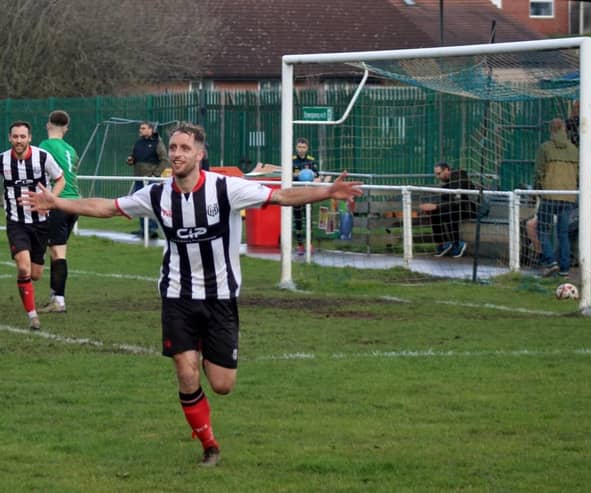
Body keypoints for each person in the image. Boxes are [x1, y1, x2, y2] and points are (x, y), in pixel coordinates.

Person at [20, 122, 362, 467]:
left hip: (221, 297)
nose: (177, 154)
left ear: (200, 154)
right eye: (173, 147)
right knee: (186, 372)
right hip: (177, 295)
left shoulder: (227, 189)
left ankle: (202, 365)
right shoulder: (156, 195)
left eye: (185, 148)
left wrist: (326, 192)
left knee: (222, 384)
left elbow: (282, 196)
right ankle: (209, 445)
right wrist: (57, 202)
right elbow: (107, 206)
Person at [1, 120, 65, 330]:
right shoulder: (2, 160)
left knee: (35, 274)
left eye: (23, 137)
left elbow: (60, 180)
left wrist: (50, 200)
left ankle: (32, 280)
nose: (19, 140)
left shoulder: (42, 157)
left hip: (40, 224)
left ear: (29, 138)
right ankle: (32, 316)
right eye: (15, 137)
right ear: (9, 138)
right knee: (23, 267)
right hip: (16, 223)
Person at [37, 110, 80, 314]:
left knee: (57, 251)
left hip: (59, 202)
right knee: (57, 251)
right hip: (75, 204)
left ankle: (59, 301)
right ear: (67, 129)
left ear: (48, 125)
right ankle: (55, 296)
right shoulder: (71, 149)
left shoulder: (45, 146)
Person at [535, 118, 579, 278]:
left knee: (542, 230)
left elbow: (539, 172)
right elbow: (580, 174)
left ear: (551, 130)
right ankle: (565, 270)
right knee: (563, 234)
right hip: (568, 197)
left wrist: (537, 191)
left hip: (550, 195)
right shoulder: (574, 149)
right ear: (565, 130)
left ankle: (551, 262)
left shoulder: (545, 148)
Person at [419, 162, 477, 258]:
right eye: (436, 174)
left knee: (450, 211)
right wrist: (433, 207)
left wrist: (436, 206)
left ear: (446, 170)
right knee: (435, 212)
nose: (438, 177)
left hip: (469, 209)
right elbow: (446, 199)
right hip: (457, 208)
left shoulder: (459, 177)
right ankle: (442, 243)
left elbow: (456, 201)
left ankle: (457, 243)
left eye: (439, 173)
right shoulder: (447, 184)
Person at [126, 121, 169, 239]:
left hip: (151, 180)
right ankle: (143, 229)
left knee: (151, 204)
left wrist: (155, 174)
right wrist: (130, 160)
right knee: (139, 203)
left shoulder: (158, 143)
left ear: (151, 130)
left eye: (143, 128)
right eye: (140, 128)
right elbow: (133, 157)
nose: (140, 130)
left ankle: (152, 229)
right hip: (139, 178)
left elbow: (164, 160)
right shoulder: (138, 143)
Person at [292, 137, 320, 255]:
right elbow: (287, 176)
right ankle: (300, 245)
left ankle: (310, 244)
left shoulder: (311, 161)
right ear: (296, 147)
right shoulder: (291, 160)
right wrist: (295, 175)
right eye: (299, 147)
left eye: (303, 147)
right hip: (297, 194)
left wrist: (314, 177)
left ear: (307, 148)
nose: (301, 150)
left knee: (308, 219)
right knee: (298, 220)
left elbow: (318, 177)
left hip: (308, 194)